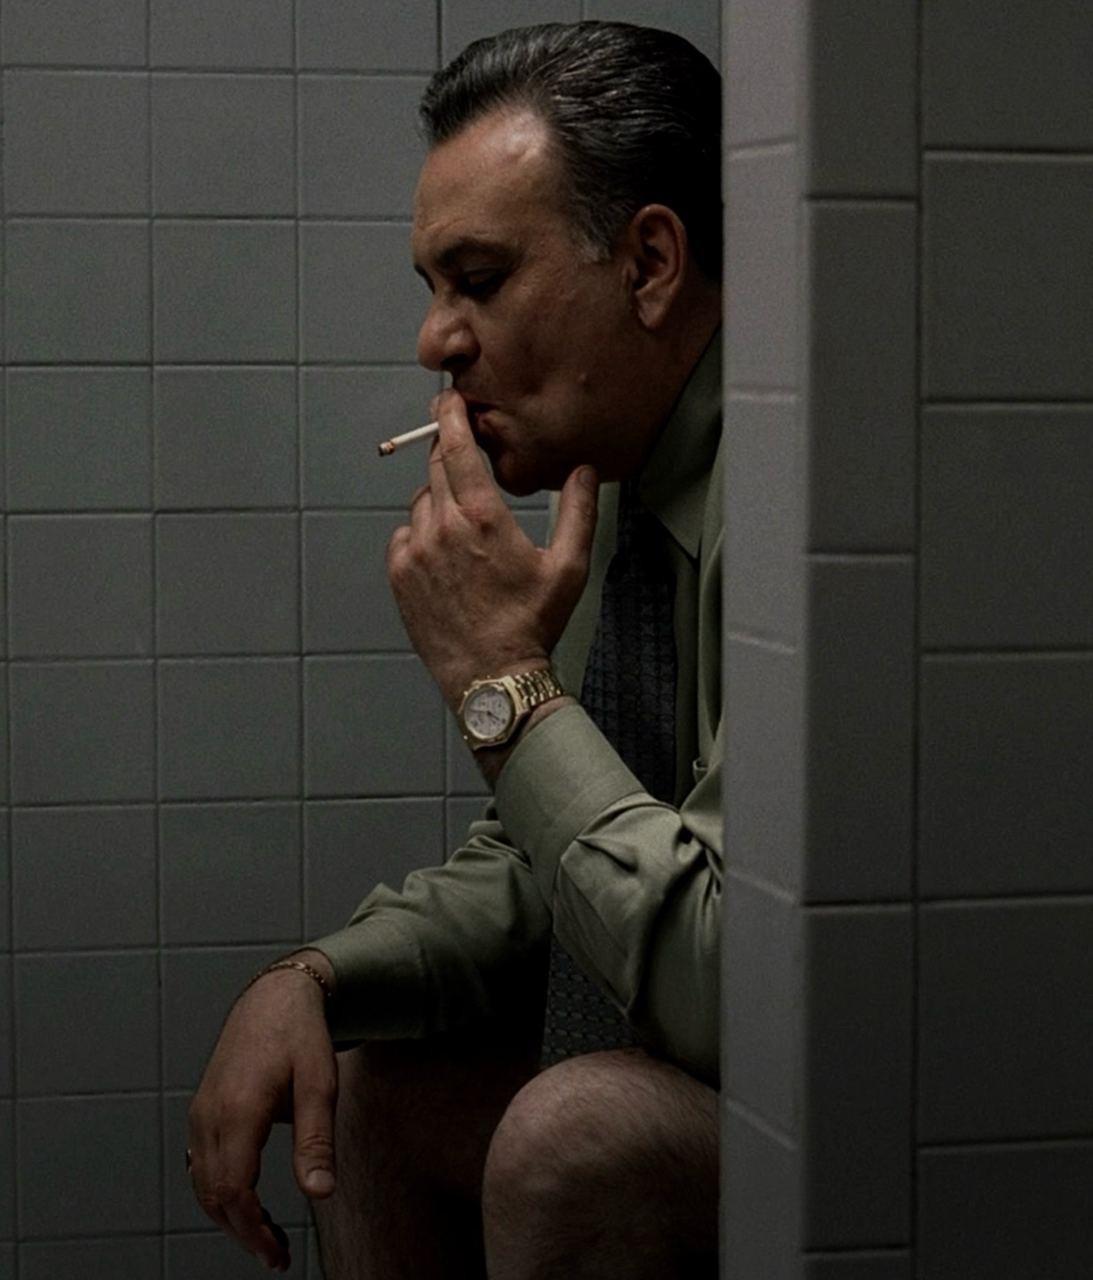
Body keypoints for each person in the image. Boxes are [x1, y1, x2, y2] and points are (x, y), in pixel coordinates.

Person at [188, 21, 723, 1278]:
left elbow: (734, 985)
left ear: (649, 263)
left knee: (569, 1134)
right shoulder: (621, 479)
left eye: (478, 279)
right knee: (380, 1091)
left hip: (882, 1103)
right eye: (434, 287)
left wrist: (503, 684)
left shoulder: (795, 512)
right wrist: (320, 974)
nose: (435, 340)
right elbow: (558, 856)